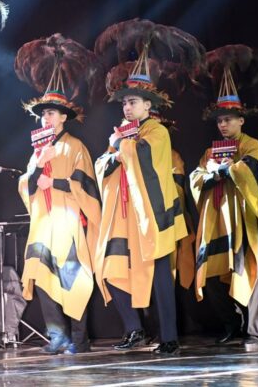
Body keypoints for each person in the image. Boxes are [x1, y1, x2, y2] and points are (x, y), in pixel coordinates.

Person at [190, 74, 258, 351]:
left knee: (250, 272)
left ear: (241, 121)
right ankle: (232, 323)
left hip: (245, 221)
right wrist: (211, 172)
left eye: (228, 120)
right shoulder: (210, 152)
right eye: (220, 121)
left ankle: (255, 332)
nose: (223, 125)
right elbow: (196, 177)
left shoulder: (251, 145)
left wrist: (225, 169)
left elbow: (249, 170)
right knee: (211, 276)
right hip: (219, 221)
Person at [94, 64, 188, 355]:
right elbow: (102, 164)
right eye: (124, 102)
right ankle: (134, 328)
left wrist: (120, 145)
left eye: (133, 101)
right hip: (125, 218)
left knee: (160, 275)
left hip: (152, 217)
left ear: (148, 105)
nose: (127, 107)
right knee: (110, 269)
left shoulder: (156, 131)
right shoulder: (122, 134)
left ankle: (169, 337)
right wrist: (116, 152)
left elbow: (144, 156)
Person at [18, 89, 101, 355]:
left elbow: (86, 184)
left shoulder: (75, 146)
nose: (46, 118)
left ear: (64, 117)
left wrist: (54, 181)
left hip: (67, 220)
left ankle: (80, 338)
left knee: (74, 279)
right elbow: (26, 184)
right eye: (43, 114)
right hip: (43, 222)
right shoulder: (37, 151)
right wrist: (39, 165)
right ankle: (57, 336)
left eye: (51, 113)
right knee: (43, 278)